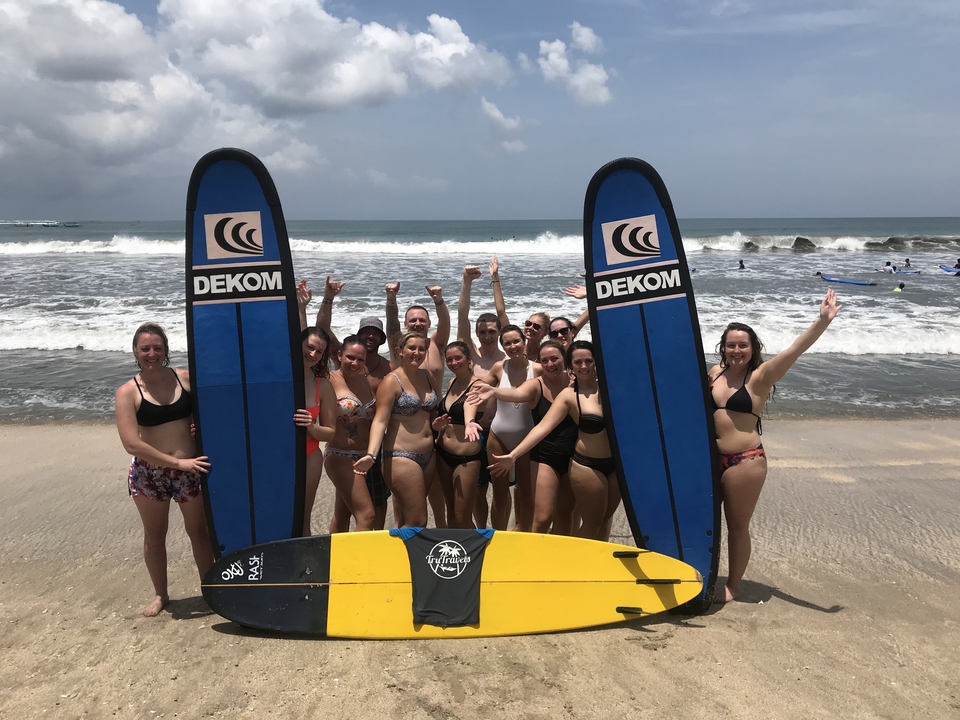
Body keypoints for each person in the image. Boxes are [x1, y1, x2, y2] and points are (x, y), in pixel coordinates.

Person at [709, 289, 842, 603]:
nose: (736, 350)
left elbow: (795, 350)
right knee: (708, 523)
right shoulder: (715, 373)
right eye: (731, 345)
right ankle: (708, 571)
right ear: (723, 347)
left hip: (744, 461)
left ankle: (734, 586)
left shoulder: (761, 375)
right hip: (710, 459)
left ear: (753, 347)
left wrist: (821, 322)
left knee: (736, 526)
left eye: (743, 344)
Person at [114, 323, 214, 617]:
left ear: (166, 350)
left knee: (200, 533)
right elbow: (132, 444)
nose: (152, 353)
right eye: (145, 348)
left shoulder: (185, 379)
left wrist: (198, 424)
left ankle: (210, 589)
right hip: (150, 475)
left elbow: (212, 408)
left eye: (157, 347)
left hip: (190, 470)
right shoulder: (127, 392)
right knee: (155, 535)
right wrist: (177, 463)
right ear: (135, 351)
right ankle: (161, 593)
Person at [488, 341, 620, 540]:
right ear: (572, 364)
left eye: (588, 361)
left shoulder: (610, 388)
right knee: (548, 519)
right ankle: (540, 560)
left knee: (593, 519)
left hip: (600, 461)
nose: (583, 366)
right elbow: (541, 426)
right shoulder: (568, 394)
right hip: (565, 460)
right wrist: (513, 455)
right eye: (578, 362)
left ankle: (572, 561)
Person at [471, 339, 576, 534]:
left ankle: (560, 557)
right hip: (542, 453)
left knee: (565, 513)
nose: (550, 364)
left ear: (565, 358)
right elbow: (517, 393)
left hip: (573, 456)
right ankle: (525, 549)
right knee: (542, 516)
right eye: (545, 360)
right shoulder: (536, 384)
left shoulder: (577, 383)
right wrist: (493, 391)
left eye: (555, 359)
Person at [353, 332, 440, 528]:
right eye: (412, 348)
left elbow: (433, 411)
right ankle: (406, 557)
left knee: (407, 518)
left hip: (428, 456)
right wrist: (371, 455)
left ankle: (397, 556)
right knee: (418, 520)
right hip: (401, 456)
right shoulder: (391, 381)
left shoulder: (428, 376)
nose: (417, 352)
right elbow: (380, 421)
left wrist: (437, 424)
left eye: (421, 348)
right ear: (400, 351)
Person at [322, 336, 382, 532]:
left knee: (342, 514)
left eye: (360, 359)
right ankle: (358, 562)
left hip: (364, 457)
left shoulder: (364, 381)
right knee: (367, 515)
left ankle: (333, 557)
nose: (354, 363)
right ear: (339, 355)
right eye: (350, 357)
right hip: (340, 455)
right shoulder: (328, 379)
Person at [483, 325, 537, 530]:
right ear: (502, 346)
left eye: (516, 341)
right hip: (498, 437)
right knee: (499, 493)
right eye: (507, 343)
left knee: (526, 492)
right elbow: (478, 391)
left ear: (524, 341)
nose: (512, 346)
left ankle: (524, 533)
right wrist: (470, 419)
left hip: (527, 439)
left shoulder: (537, 368)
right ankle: (498, 535)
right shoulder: (499, 368)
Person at [433, 342, 485, 528]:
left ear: (469, 359)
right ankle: (456, 553)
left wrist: (470, 421)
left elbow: (470, 405)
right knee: (451, 514)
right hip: (443, 453)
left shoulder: (479, 386)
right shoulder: (451, 382)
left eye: (458, 358)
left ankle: (475, 552)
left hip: (466, 458)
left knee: (462, 518)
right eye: (449, 359)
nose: (453, 362)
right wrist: (436, 425)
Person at [293, 327, 337, 535]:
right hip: (276, 457)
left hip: (309, 456)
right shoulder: (274, 377)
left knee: (302, 516)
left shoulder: (323, 385)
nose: (312, 354)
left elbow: (329, 433)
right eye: (309, 347)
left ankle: (304, 564)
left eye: (319, 352)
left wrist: (311, 426)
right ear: (298, 343)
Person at [314, 276, 392, 389]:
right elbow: (322, 330)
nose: (370, 336)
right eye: (366, 332)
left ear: (381, 339)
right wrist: (328, 298)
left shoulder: (389, 368)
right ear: (359, 336)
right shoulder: (342, 356)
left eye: (375, 333)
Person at [489, 255, 549, 360]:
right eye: (528, 324)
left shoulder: (545, 356)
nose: (530, 328)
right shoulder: (515, 348)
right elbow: (500, 312)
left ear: (544, 333)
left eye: (536, 327)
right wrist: (495, 278)